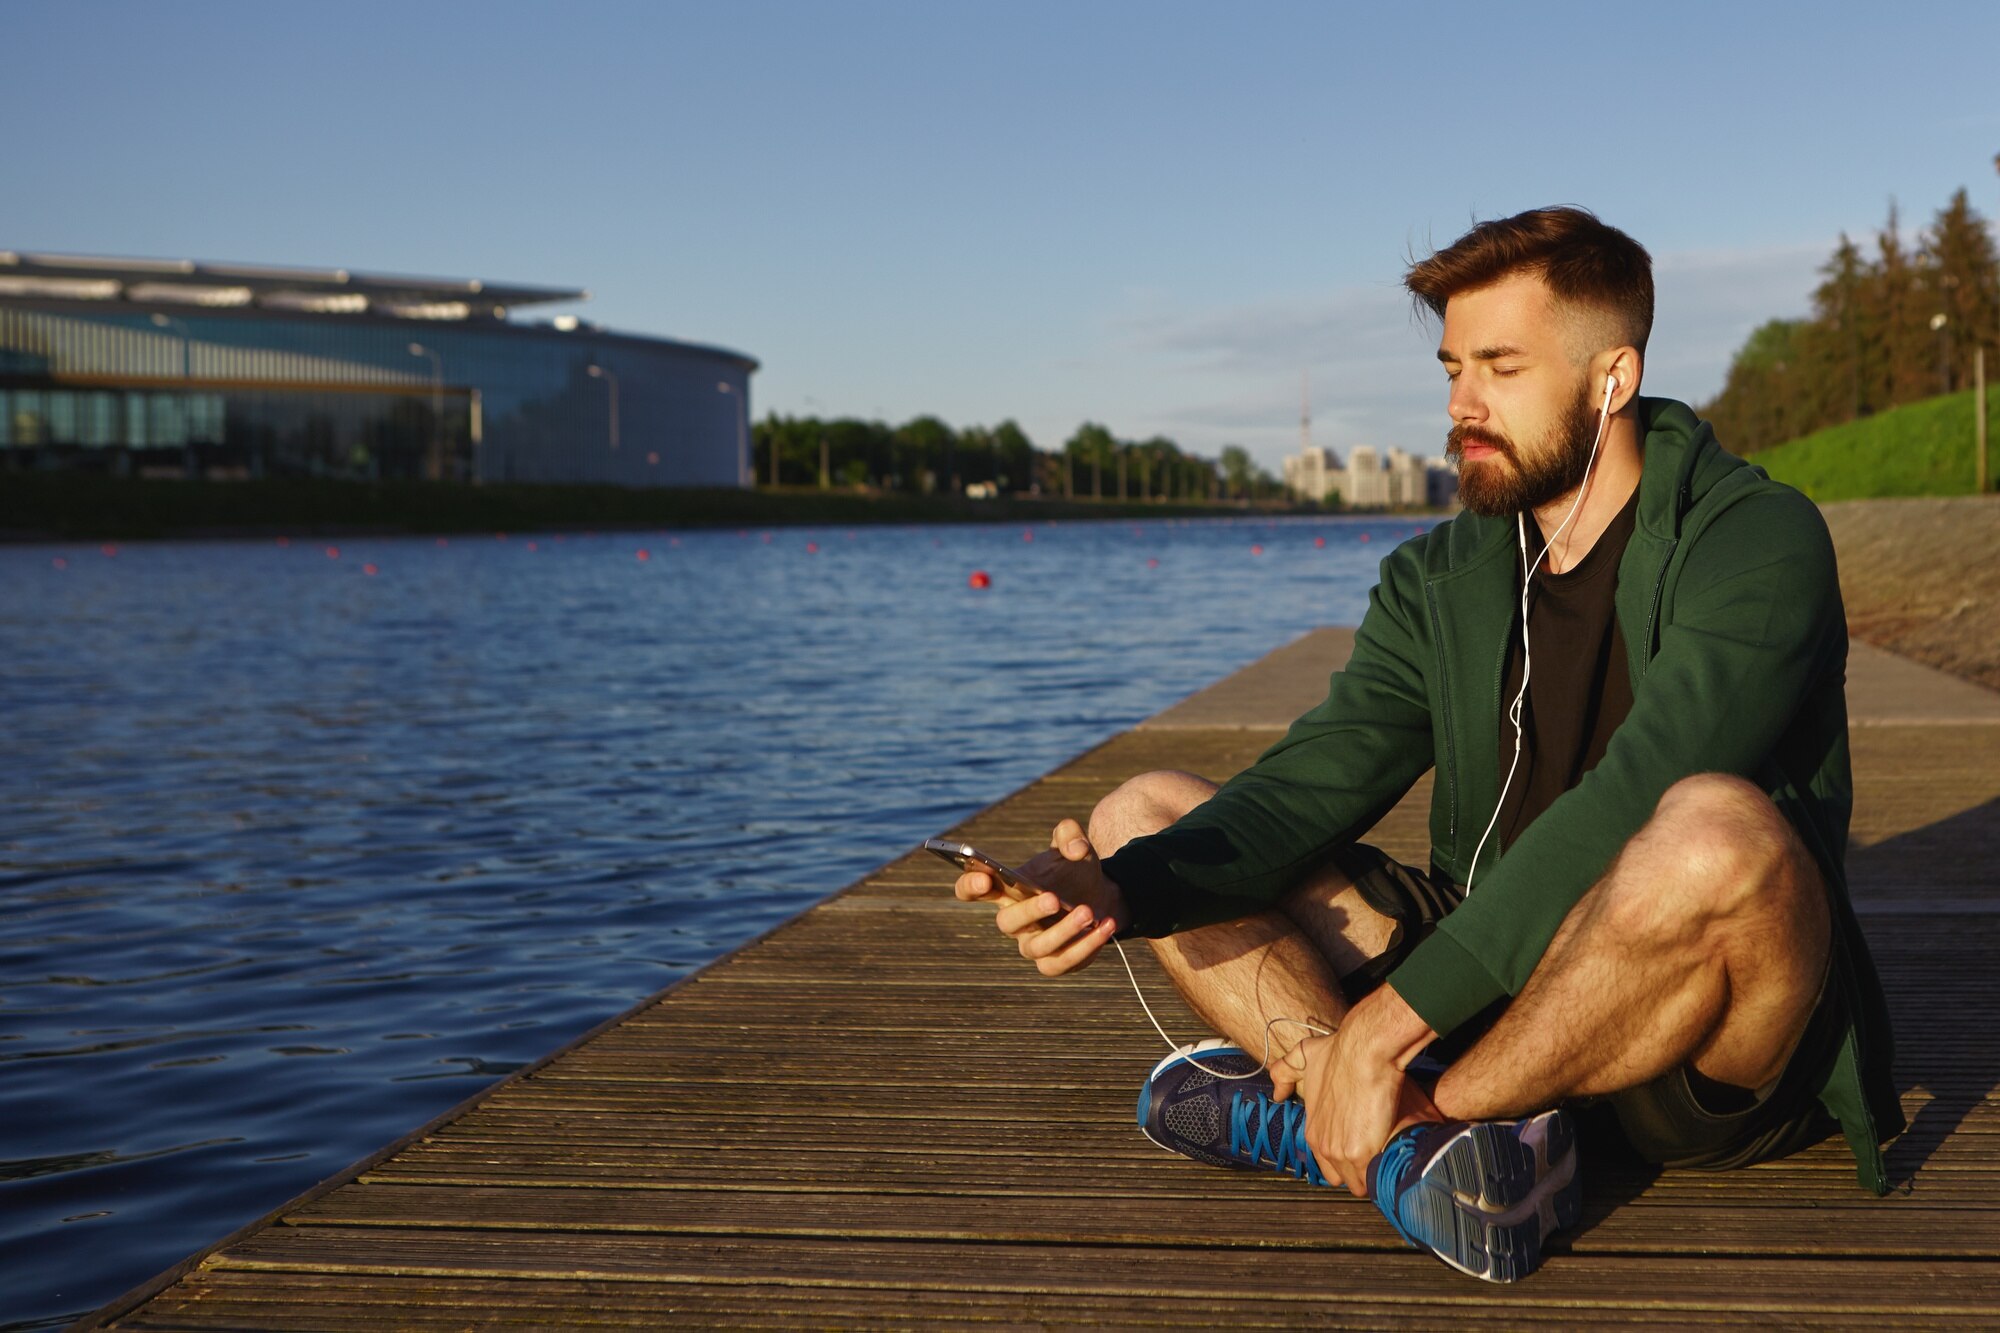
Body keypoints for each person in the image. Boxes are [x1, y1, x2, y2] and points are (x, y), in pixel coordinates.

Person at [953, 207, 1902, 1284]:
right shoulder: (1441, 575)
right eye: (1452, 366)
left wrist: (1382, 1035)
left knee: (1712, 830)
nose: (1459, 404)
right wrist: (1118, 888)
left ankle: (1388, 1117)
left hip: (1680, 1029)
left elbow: (1640, 789)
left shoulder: (1752, 540)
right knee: (1143, 812)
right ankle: (1399, 1142)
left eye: (1499, 366)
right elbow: (1313, 781)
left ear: (1610, 377)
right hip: (1489, 975)